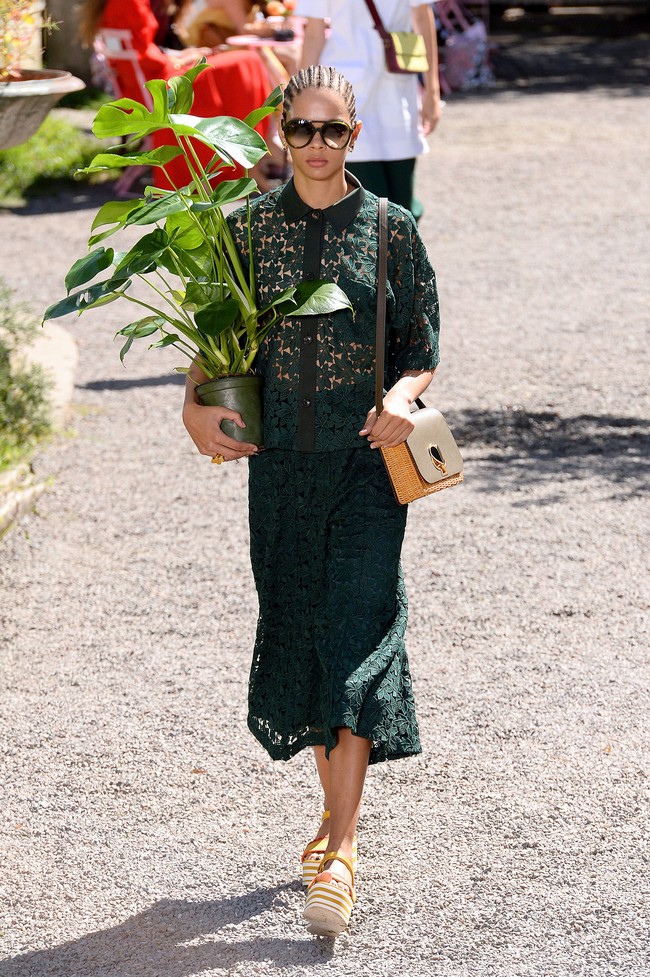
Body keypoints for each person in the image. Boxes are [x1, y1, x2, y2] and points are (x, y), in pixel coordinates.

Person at [182, 65, 440, 937]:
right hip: (282, 470)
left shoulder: (392, 230)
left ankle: (340, 847)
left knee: (357, 630)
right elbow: (208, 354)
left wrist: (404, 398)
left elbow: (421, 343)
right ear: (278, 135)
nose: (318, 146)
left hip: (368, 468)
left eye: (334, 131)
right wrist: (195, 413)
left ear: (355, 137)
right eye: (303, 130)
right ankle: (334, 823)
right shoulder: (244, 232)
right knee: (302, 624)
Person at [78, 0, 272, 189]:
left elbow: (139, 51)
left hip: (141, 84)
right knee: (244, 62)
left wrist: (178, 57)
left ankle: (248, 162)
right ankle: (247, 163)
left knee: (237, 62)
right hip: (156, 87)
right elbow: (143, 55)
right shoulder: (130, 3)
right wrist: (178, 61)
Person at [297, 0, 443, 221]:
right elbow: (314, 33)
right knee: (359, 204)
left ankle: (399, 252)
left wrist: (432, 90)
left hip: (393, 91)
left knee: (401, 203)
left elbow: (423, 17)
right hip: (344, 95)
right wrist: (301, 99)